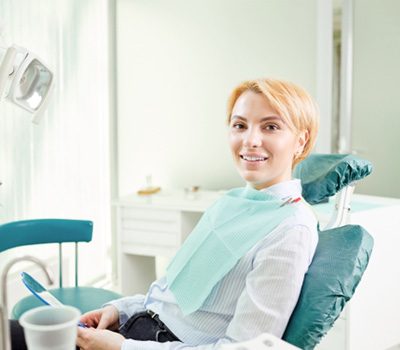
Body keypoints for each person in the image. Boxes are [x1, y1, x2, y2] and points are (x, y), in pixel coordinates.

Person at [11, 78, 320, 350]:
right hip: (139, 327)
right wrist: (121, 310)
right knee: (11, 333)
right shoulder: (234, 202)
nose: (250, 140)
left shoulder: (290, 229)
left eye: (270, 126)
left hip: (150, 343)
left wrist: (123, 348)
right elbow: (172, 292)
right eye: (240, 125)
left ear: (301, 140)